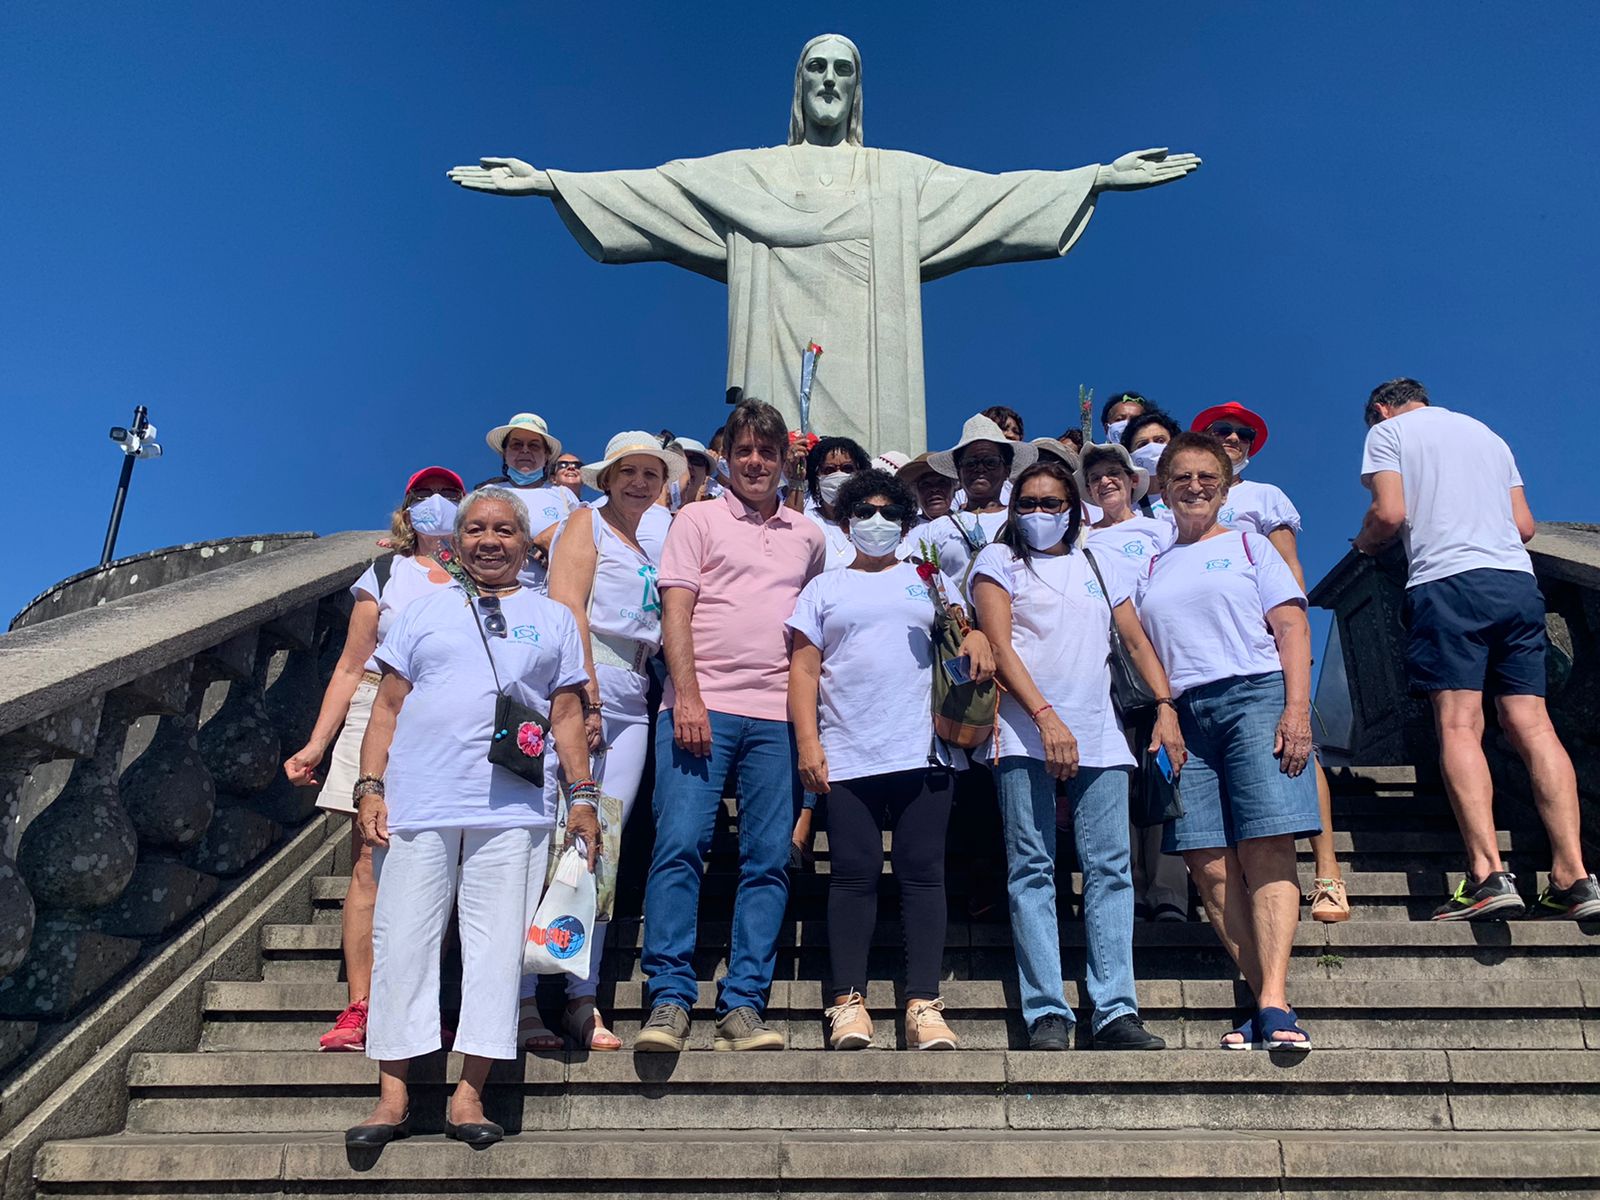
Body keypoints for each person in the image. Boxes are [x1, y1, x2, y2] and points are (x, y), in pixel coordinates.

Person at [346, 487, 598, 1149]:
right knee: (403, 940)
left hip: (515, 806)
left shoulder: (553, 618)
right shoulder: (422, 611)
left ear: (525, 544)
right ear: (457, 543)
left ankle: (470, 1094)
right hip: (420, 799)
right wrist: (369, 787)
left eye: (505, 530)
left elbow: (566, 714)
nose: (490, 540)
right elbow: (386, 707)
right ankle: (392, 1097)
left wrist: (583, 797)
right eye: (477, 529)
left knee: (496, 949)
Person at [1355, 378, 1599, 920]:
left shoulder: (1389, 433)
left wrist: (1367, 541)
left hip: (1448, 583)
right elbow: (1524, 526)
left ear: (1382, 409)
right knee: (1534, 725)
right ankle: (1573, 876)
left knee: (1460, 724)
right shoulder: (1488, 435)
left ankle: (1488, 874)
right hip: (1515, 583)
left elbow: (1390, 512)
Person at [634, 399, 826, 1053]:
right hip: (701, 706)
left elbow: (812, 631)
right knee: (680, 845)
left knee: (768, 860)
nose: (754, 462)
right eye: (743, 450)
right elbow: (676, 611)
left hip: (777, 715)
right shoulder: (696, 518)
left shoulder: (809, 536)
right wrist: (686, 696)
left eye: (767, 452)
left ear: (783, 461)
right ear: (727, 458)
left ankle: (743, 1003)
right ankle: (669, 996)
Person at [972, 460, 1184, 1051]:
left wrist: (1165, 706)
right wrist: (1045, 717)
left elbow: (1134, 640)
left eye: (1051, 502)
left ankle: (1115, 1007)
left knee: (1110, 870)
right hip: (1023, 731)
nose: (1039, 513)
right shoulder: (998, 560)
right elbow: (999, 645)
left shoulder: (1099, 561)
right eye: (1028, 503)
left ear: (1072, 509)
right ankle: (1047, 1009)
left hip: (1100, 730)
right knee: (1032, 868)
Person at [788, 469, 994, 1050]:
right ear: (846, 521)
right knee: (852, 875)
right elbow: (803, 669)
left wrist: (978, 635)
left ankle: (923, 1003)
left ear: (905, 525)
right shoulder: (823, 589)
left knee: (923, 875)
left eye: (889, 513)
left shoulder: (928, 580)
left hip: (922, 749)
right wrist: (808, 743)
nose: (877, 522)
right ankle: (847, 1002)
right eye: (865, 512)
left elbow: (965, 633)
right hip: (846, 751)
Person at [1135, 432, 1321, 1051]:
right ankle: (1265, 998)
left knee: (1265, 844)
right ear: (1163, 489)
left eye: (1206, 477)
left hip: (1255, 697)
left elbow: (1291, 627)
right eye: (1181, 478)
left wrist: (1297, 710)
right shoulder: (1151, 567)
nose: (1194, 487)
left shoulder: (1249, 545)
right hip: (1184, 715)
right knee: (1206, 861)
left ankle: (1272, 1000)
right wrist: (1164, 711)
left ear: (1225, 488)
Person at [283, 467, 465, 1052]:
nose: (436, 503)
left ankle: (415, 1002)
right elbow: (348, 664)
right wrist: (317, 742)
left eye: (449, 495)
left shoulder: (480, 574)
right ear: (407, 509)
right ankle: (361, 1003)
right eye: (424, 495)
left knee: (438, 867)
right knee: (367, 860)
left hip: (444, 719)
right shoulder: (385, 572)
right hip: (374, 710)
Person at [518, 433, 686, 1051]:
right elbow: (568, 610)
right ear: (607, 477)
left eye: (651, 474)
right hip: (585, 687)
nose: (639, 483)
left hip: (636, 691)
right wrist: (585, 697)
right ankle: (522, 996)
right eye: (628, 472)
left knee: (603, 843)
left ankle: (581, 995)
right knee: (552, 834)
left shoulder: (655, 540)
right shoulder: (584, 523)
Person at [1191, 401, 1348, 923]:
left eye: (1244, 434)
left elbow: (1289, 566)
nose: (1234, 439)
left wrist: (1294, 634)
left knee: (1298, 749)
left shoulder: (1264, 495)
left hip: (1263, 645)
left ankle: (1327, 871)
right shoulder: (1178, 500)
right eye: (1223, 430)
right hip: (1208, 652)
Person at [1079, 444, 1187, 922]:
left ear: (1131, 480)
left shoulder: (1161, 529)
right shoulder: (1081, 539)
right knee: (1117, 778)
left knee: (1164, 774)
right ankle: (1130, 887)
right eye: (1096, 477)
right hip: (1106, 668)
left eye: (1113, 473)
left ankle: (1169, 891)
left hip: (1161, 659)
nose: (1106, 482)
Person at [921, 414, 1039, 591]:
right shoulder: (936, 529)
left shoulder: (1025, 519)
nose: (980, 468)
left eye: (990, 462)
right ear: (959, 472)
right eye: (971, 463)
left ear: (1007, 470)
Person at [480, 412, 578, 588]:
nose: (525, 450)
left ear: (546, 455)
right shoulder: (485, 494)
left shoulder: (564, 496)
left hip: (552, 597)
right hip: (491, 595)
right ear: (505, 453)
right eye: (517, 445)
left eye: (534, 445)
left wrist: (559, 552)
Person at [804, 435, 873, 570]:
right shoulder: (806, 520)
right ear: (816, 477)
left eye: (847, 469)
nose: (838, 475)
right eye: (829, 470)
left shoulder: (875, 520)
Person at [1121, 410, 1181, 518]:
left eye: (1160, 440)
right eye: (1143, 444)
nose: (1152, 447)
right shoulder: (1126, 509)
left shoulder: (1195, 492)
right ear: (1130, 455)